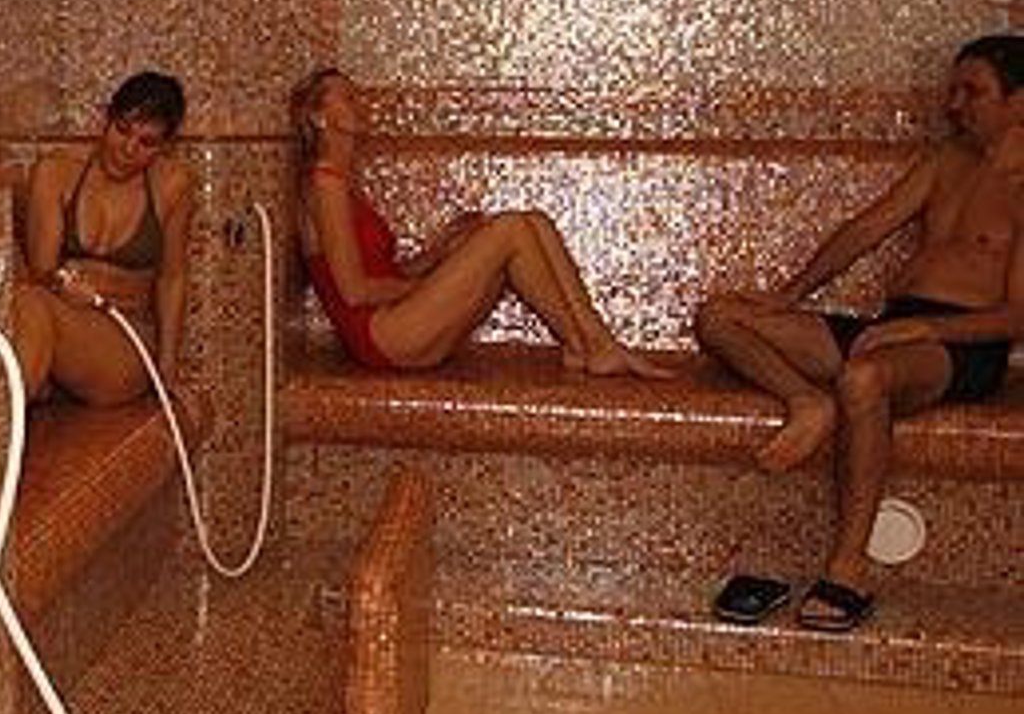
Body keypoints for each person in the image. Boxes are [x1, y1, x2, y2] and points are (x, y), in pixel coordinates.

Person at [695, 34, 1022, 634]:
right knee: (721, 317)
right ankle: (806, 402)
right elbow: (867, 229)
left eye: (972, 92)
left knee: (864, 378)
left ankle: (848, 570)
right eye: (953, 90)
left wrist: (922, 328)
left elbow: (1015, 318)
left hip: (961, 345)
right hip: (895, 327)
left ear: (1019, 101)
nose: (954, 105)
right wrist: (790, 294)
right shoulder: (946, 161)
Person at [290, 66, 669, 379]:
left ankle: (585, 342)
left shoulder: (344, 184)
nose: (360, 103)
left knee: (534, 221)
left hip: (399, 327)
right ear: (320, 117)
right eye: (347, 97)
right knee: (510, 229)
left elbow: (384, 273)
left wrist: (441, 252)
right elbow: (355, 292)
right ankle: (596, 345)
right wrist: (432, 284)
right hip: (383, 338)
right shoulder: (325, 184)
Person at [9, 71, 196, 405]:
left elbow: (172, 277)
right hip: (64, 322)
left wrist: (167, 368)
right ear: (105, 120)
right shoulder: (56, 172)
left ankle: (3, 426)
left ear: (166, 146)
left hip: (126, 338)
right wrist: (62, 284)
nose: (128, 149)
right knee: (29, 301)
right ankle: (5, 422)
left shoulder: (172, 185)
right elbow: (41, 268)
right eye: (122, 130)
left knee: (34, 306)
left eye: (147, 143)